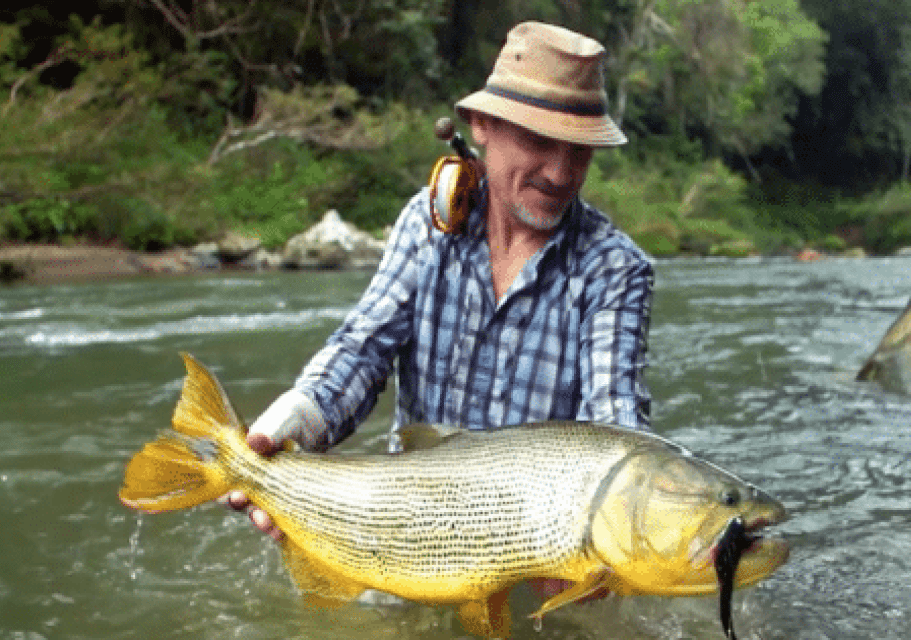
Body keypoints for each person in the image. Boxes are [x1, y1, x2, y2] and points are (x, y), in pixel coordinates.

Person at [226, 20, 654, 600]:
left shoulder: (615, 268)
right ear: (482, 126)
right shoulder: (426, 223)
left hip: (538, 560)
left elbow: (615, 419)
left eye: (579, 151)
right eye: (540, 142)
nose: (560, 172)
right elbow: (363, 350)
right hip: (404, 536)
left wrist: (614, 525)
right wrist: (297, 421)